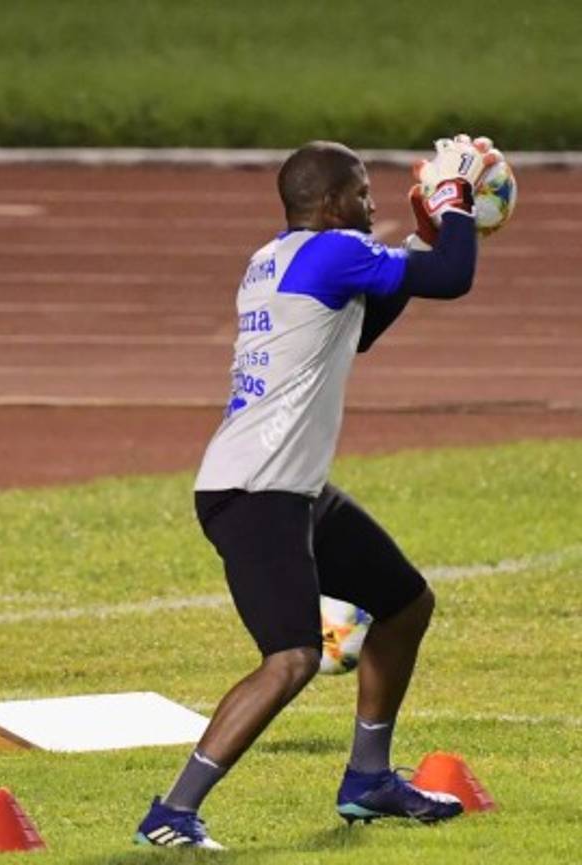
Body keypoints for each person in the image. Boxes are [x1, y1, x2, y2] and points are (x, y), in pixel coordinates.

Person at [134, 135, 503, 849]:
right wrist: (456, 205)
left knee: (404, 603)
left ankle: (368, 779)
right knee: (293, 658)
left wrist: (426, 235)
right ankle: (172, 811)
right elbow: (453, 278)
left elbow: (362, 327)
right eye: (364, 195)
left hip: (287, 486)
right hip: (257, 490)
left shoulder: (278, 258)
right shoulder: (332, 252)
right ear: (332, 202)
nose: (372, 207)